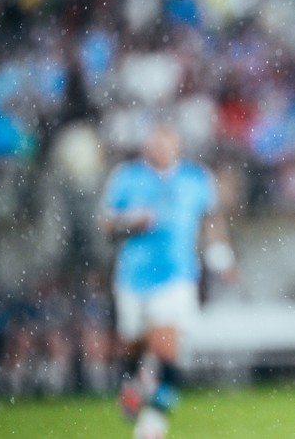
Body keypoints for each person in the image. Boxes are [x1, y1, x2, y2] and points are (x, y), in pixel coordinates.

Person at [101, 123, 236, 438]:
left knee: (166, 346)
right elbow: (107, 225)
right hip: (133, 276)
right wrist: (131, 221)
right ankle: (136, 381)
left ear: (177, 145)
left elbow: (211, 220)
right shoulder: (127, 177)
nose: (161, 149)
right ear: (147, 146)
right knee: (133, 343)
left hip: (176, 274)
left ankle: (154, 422)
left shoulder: (195, 178)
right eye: (155, 143)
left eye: (167, 143)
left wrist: (222, 257)